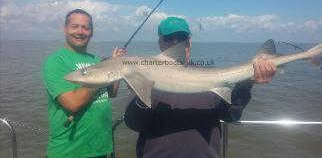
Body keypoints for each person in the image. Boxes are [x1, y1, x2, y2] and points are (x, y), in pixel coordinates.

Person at [124, 17, 276, 158]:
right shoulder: (142, 75)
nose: (175, 42)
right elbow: (134, 124)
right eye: (169, 38)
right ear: (159, 42)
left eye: (181, 38)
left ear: (189, 42)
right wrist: (144, 94)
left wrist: (245, 84)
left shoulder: (210, 76)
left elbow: (230, 116)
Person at [42, 9, 125, 158]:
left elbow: (112, 93)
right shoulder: (55, 61)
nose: (80, 32)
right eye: (74, 26)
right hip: (69, 151)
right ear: (65, 29)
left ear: (91, 32)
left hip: (101, 148)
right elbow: (72, 103)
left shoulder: (96, 60)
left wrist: (115, 65)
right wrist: (103, 77)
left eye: (85, 28)